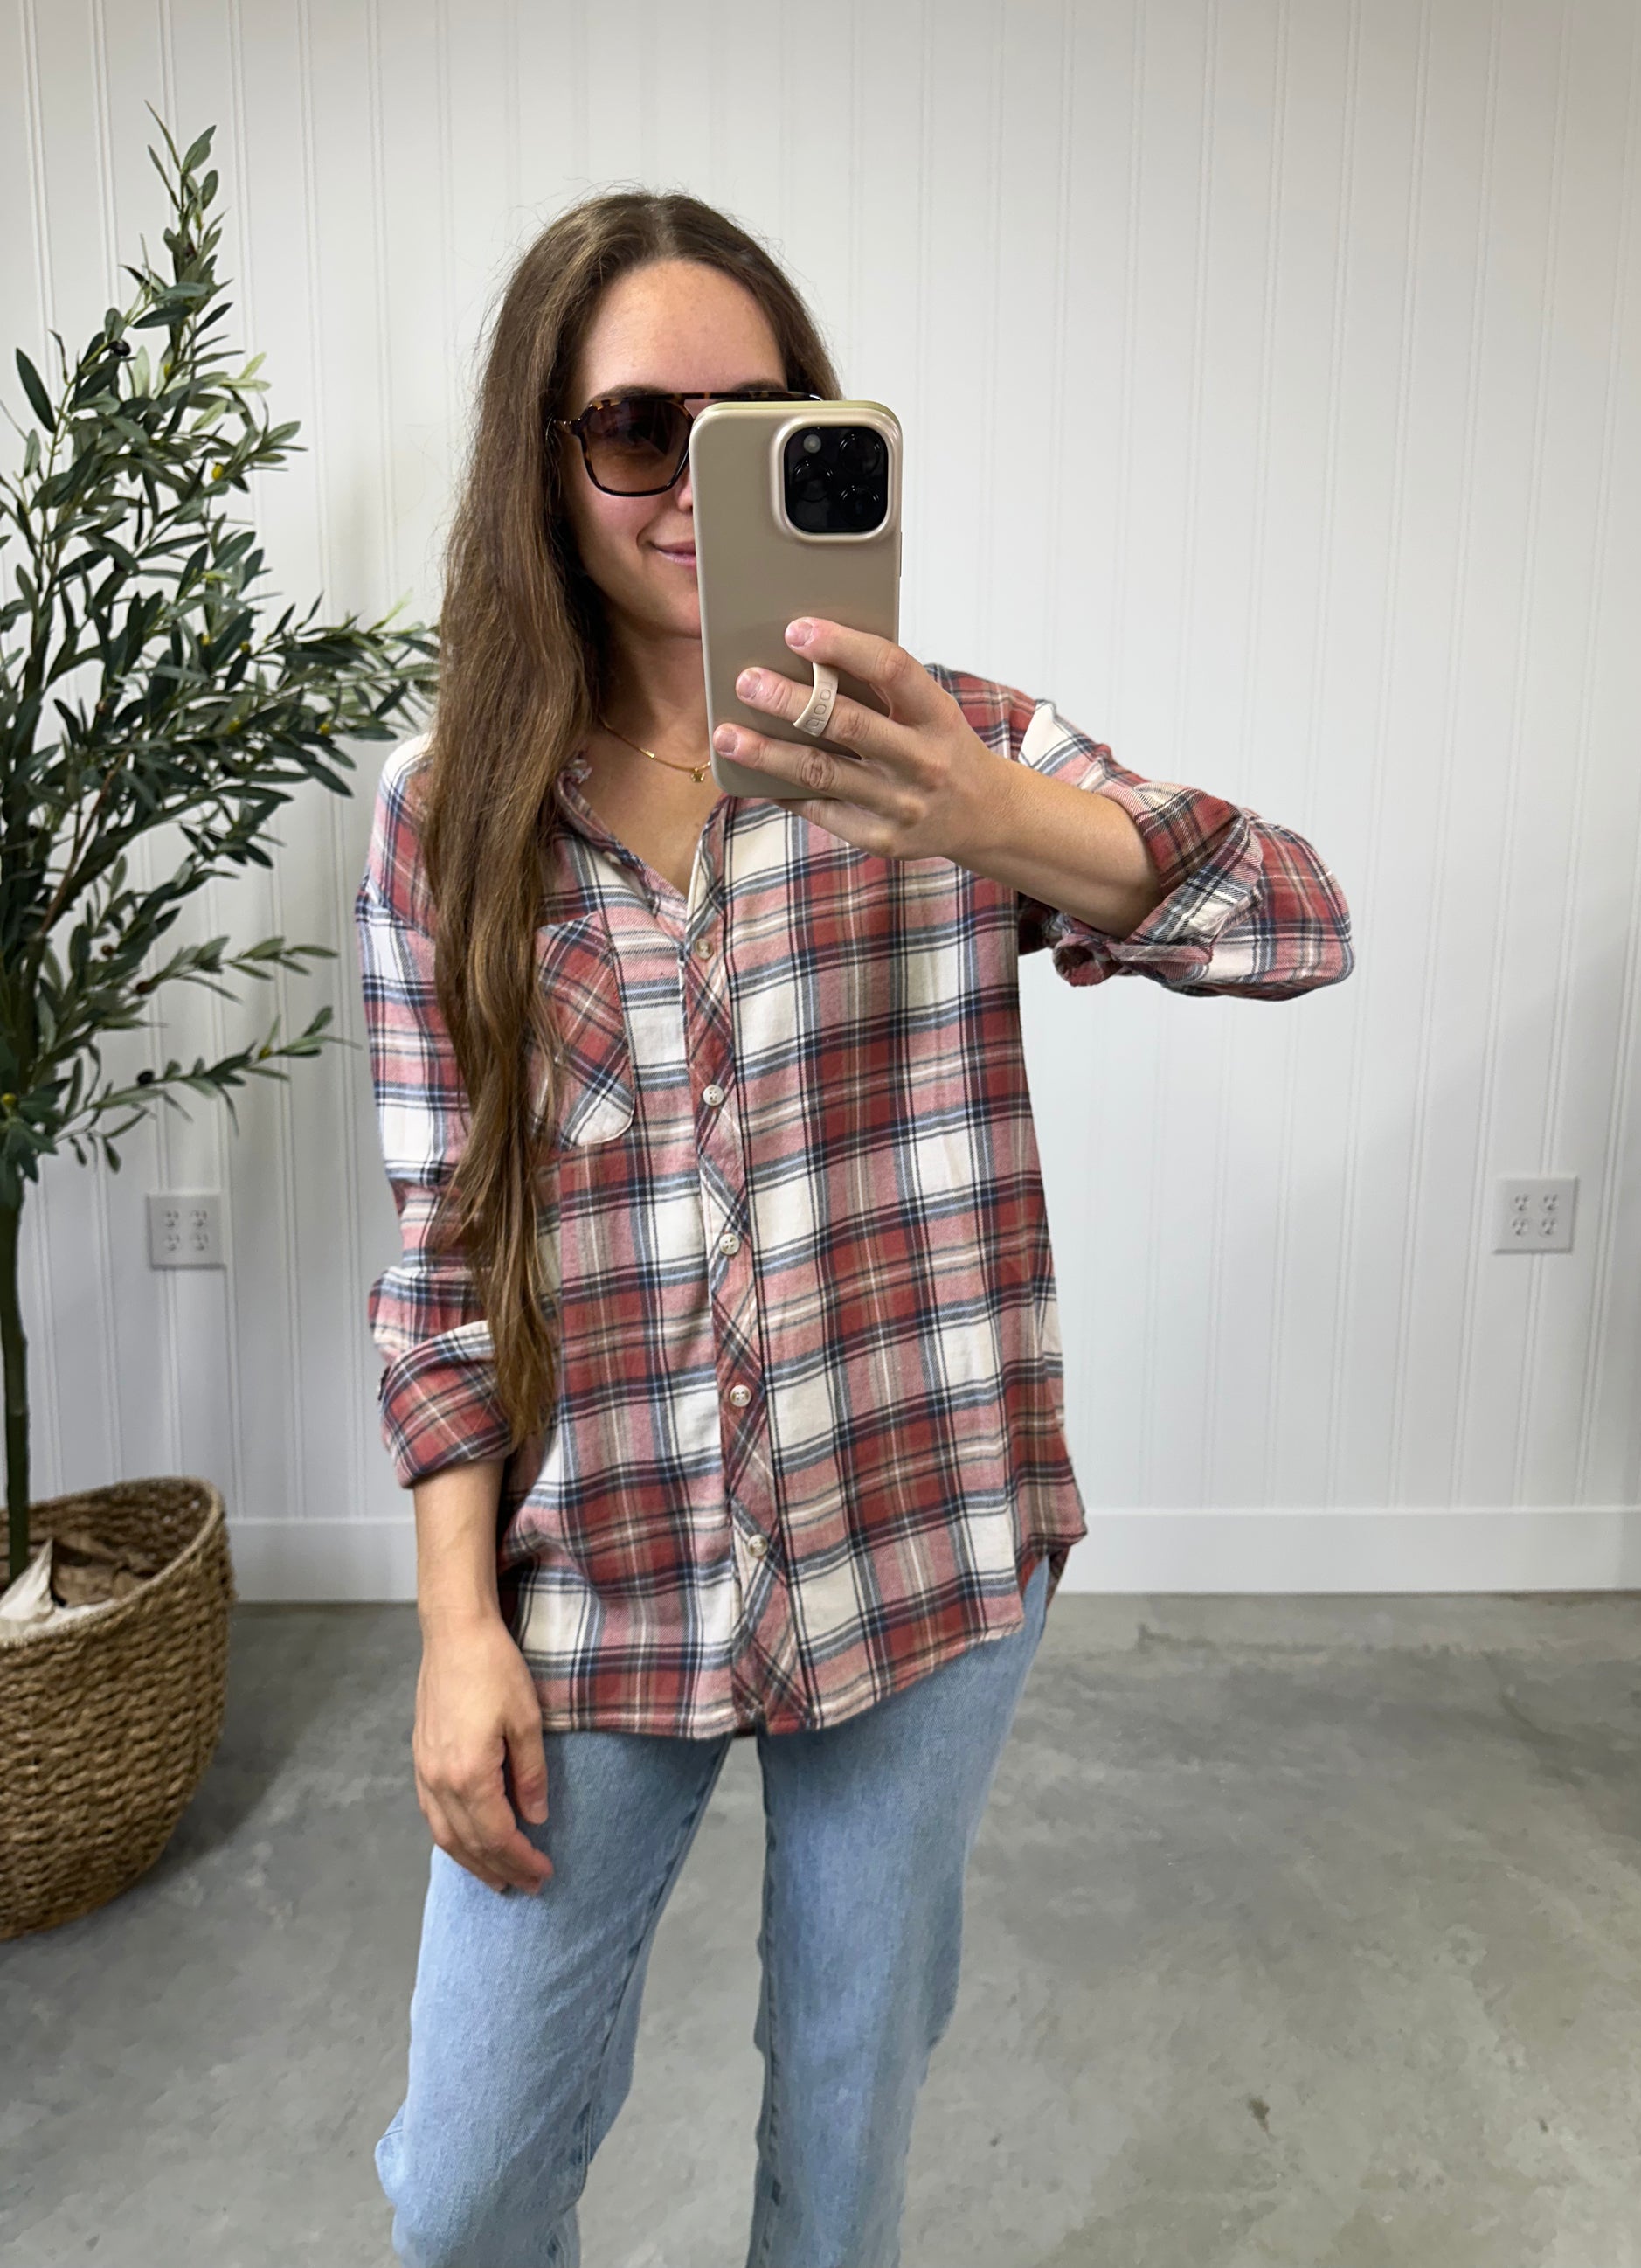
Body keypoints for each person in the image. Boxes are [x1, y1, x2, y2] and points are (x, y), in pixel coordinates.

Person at [356, 188, 1353, 2268]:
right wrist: (459, 1629)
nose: (695, 483)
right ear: (548, 458)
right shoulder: (446, 814)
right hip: (600, 1577)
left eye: (762, 420)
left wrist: (1005, 828)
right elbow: (439, 1255)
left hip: (921, 1545)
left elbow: (1298, 921)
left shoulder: (950, 744)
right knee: (459, 2194)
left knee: (843, 2149)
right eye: (641, 430)